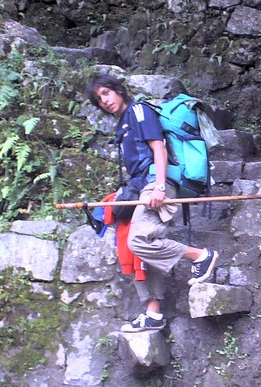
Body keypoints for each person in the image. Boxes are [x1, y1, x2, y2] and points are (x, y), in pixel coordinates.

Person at [86, 73, 218, 332]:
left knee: (140, 240)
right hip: (138, 188)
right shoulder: (124, 122)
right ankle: (153, 313)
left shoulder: (138, 111)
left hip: (154, 185)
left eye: (106, 93)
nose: (105, 101)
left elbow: (158, 148)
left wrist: (159, 186)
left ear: (118, 90)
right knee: (137, 247)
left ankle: (201, 256)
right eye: (99, 99)